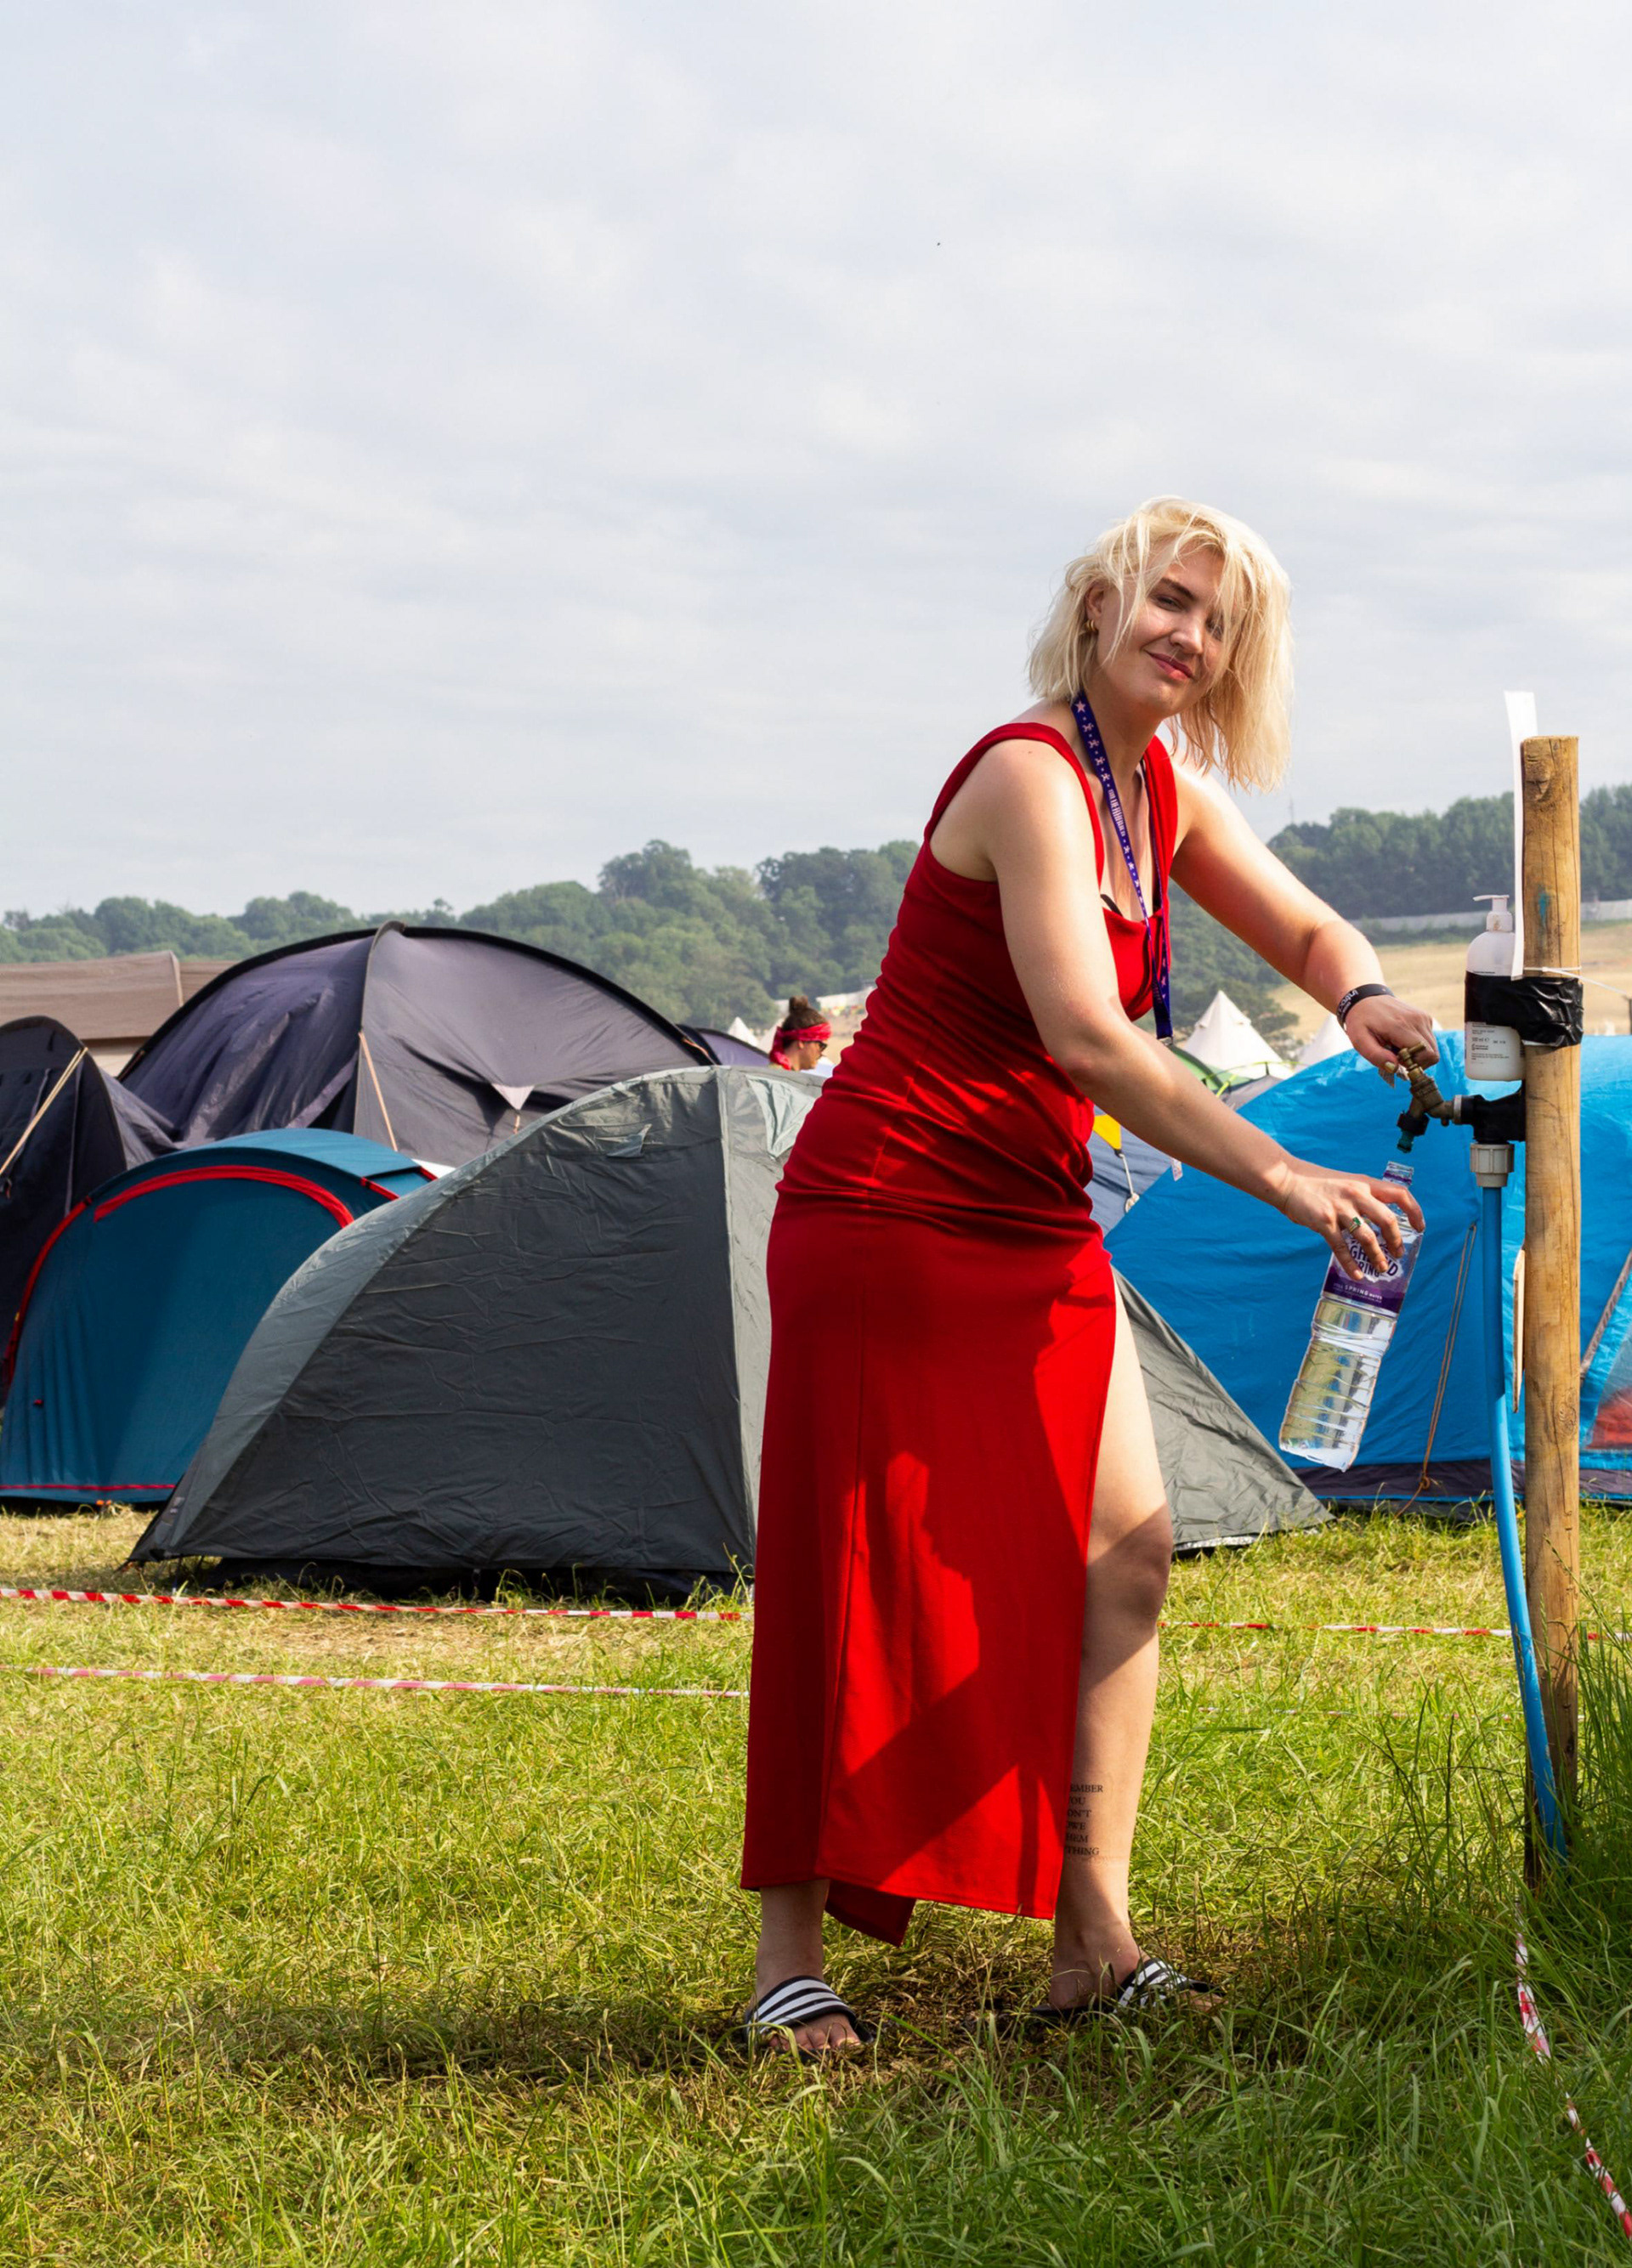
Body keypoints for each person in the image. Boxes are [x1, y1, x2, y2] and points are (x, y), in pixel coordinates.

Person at [737, 497, 1437, 2056]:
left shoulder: (1158, 791)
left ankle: (1092, 1937)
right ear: (1101, 601)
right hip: (888, 1208)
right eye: (1172, 598)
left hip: (1030, 1211)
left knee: (1131, 1547)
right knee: (853, 1570)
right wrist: (1290, 1179)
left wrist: (1364, 993)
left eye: (1221, 622)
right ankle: (788, 1956)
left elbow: (1303, 923)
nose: (1191, 635)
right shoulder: (1029, 774)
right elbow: (1088, 1038)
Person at [768, 997, 833, 1077]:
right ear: (802, 1042)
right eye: (821, 1046)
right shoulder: (777, 1077)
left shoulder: (782, 1075)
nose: (823, 1054)